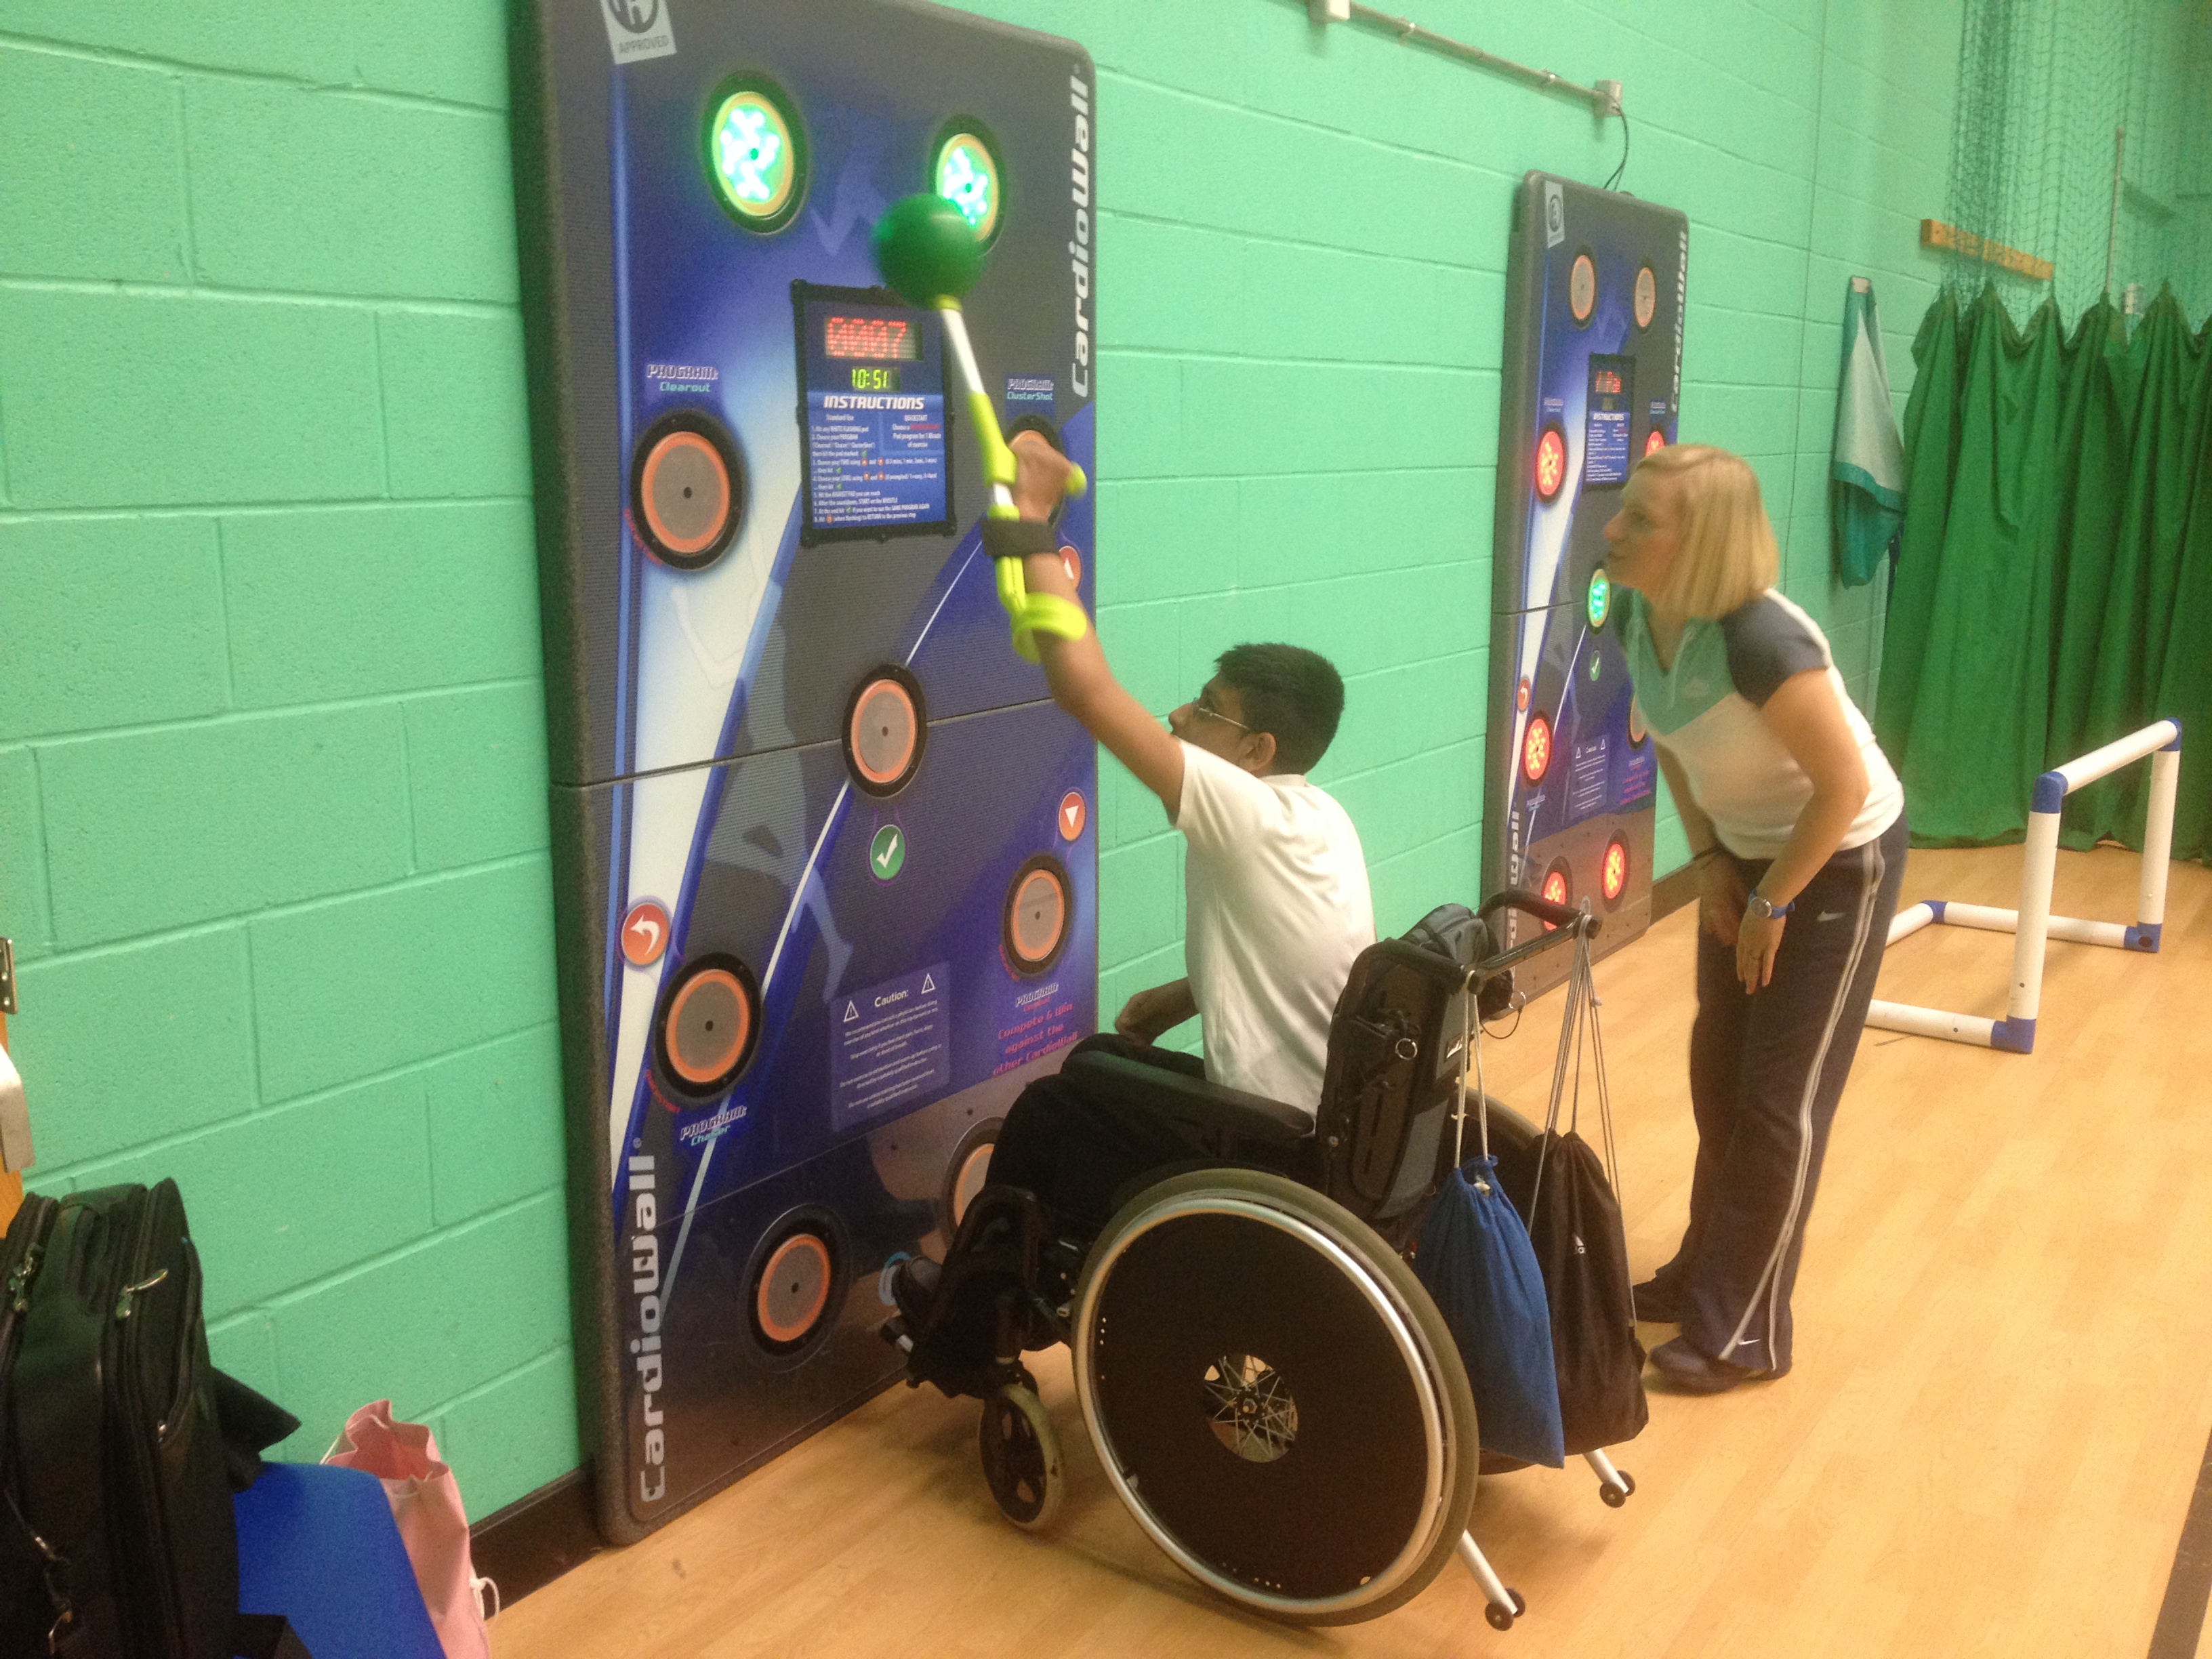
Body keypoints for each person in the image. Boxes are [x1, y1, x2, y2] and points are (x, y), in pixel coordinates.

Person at [893, 432, 1374, 1339]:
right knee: (1093, 1065)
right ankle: (1017, 1288)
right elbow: (1301, 963)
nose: (1179, 716)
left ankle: (976, 1323)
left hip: (1270, 1141)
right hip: (1322, 1125)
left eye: (1205, 709)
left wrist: (1030, 520)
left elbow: (1084, 688)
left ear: (1255, 751)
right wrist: (1178, 996)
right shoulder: (1321, 820)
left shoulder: (1247, 814)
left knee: (1048, 1108)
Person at [1602, 443, 1908, 1395]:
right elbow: (1677, 752)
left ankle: (1744, 1330)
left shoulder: (1764, 642)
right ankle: (1706, 1273)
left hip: (1838, 858)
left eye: (1641, 521)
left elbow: (1843, 784)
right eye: (1624, 510)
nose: (1612, 530)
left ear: (1701, 545)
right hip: (1743, 856)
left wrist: (1775, 897)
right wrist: (1710, 866)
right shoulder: (1635, 620)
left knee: (1780, 1101)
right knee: (1719, 1077)